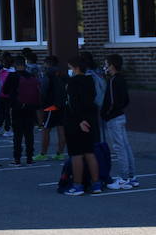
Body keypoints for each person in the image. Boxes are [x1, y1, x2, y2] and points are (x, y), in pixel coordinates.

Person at [62, 53, 103, 196]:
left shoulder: (73, 82)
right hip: (90, 119)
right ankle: (96, 183)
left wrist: (80, 120)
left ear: (76, 68)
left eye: (71, 68)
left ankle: (77, 185)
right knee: (89, 153)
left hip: (75, 122)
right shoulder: (90, 80)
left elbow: (73, 104)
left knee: (77, 155)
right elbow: (90, 100)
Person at [101, 54, 138, 190]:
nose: (105, 67)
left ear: (111, 65)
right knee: (125, 145)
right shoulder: (122, 79)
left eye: (106, 64)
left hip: (114, 117)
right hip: (120, 115)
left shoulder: (113, 80)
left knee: (119, 147)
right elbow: (126, 99)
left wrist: (106, 113)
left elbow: (111, 101)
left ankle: (124, 178)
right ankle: (131, 176)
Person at [2, 55, 41, 165]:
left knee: (17, 134)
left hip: (16, 107)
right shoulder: (31, 76)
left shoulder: (12, 76)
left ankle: (17, 158)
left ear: (15, 65)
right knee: (29, 133)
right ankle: (30, 157)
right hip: (30, 107)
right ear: (24, 65)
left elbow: (4, 91)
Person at [34, 57, 67, 161]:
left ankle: (43, 153)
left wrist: (41, 104)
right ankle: (60, 153)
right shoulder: (63, 74)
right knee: (61, 128)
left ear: (48, 64)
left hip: (50, 105)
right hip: (62, 104)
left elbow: (43, 90)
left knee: (46, 129)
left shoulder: (48, 74)